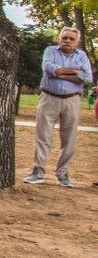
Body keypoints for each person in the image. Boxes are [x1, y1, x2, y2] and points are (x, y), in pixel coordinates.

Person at [24, 27, 92, 187]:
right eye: (65, 38)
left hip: (72, 100)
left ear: (77, 42)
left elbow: (87, 77)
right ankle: (38, 172)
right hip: (49, 98)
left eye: (71, 39)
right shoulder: (50, 51)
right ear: (59, 38)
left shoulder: (82, 56)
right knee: (43, 137)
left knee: (69, 139)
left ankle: (62, 174)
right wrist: (76, 72)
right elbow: (48, 69)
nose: (67, 41)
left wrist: (60, 72)